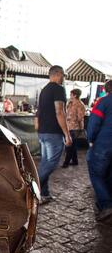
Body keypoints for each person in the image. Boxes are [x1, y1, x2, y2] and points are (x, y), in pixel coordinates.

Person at [35, 65, 72, 205]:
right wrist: (67, 134)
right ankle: (32, 190)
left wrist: (38, 127)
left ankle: (44, 193)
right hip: (53, 133)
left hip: (43, 132)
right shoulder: (58, 89)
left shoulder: (44, 90)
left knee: (45, 162)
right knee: (51, 163)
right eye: (63, 75)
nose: (64, 78)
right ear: (57, 74)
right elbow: (60, 112)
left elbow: (39, 112)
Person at [87, 80, 112, 223]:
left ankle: (107, 205)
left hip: (104, 144)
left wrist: (91, 139)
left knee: (96, 173)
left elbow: (94, 122)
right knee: (109, 174)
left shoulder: (103, 102)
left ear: (106, 89)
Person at [62, 89, 86, 168]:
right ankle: (75, 161)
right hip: (69, 127)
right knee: (72, 145)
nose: (70, 95)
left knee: (69, 146)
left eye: (71, 94)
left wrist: (71, 119)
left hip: (75, 127)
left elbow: (80, 118)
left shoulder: (80, 104)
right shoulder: (70, 103)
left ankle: (66, 163)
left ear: (75, 95)